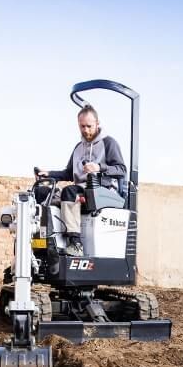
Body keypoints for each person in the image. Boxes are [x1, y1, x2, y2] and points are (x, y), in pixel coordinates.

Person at [41, 104, 127, 255]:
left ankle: (76, 244)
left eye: (89, 126)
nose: (85, 130)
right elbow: (68, 173)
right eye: (82, 126)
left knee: (69, 192)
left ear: (97, 123)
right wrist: (48, 174)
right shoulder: (78, 148)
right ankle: (45, 245)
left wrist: (99, 167)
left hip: (102, 190)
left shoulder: (109, 143)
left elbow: (121, 170)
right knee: (42, 193)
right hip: (80, 190)